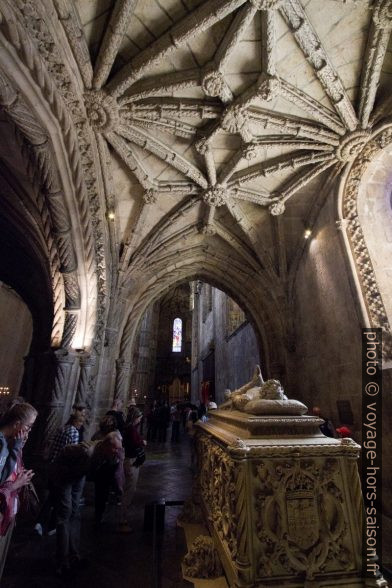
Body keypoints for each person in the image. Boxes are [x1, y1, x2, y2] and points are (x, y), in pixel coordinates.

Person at [49, 433, 123, 576]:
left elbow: (110, 471)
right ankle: (62, 561)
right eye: (114, 448)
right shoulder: (86, 451)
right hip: (64, 476)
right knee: (65, 514)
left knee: (75, 514)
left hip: (78, 476)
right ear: (106, 445)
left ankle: (74, 555)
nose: (116, 451)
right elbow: (64, 452)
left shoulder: (108, 454)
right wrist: (60, 474)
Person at [0, 402, 37, 580]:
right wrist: (16, 484)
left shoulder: (11, 442)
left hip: (7, 510)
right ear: (16, 424)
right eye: (28, 427)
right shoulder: (2, 445)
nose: (28, 432)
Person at [119, 407, 146, 533]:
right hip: (131, 460)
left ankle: (123, 515)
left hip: (130, 459)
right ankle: (122, 518)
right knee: (129, 489)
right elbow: (135, 442)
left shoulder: (129, 428)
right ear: (136, 418)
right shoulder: (131, 429)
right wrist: (142, 441)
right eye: (139, 418)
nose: (140, 420)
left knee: (129, 488)